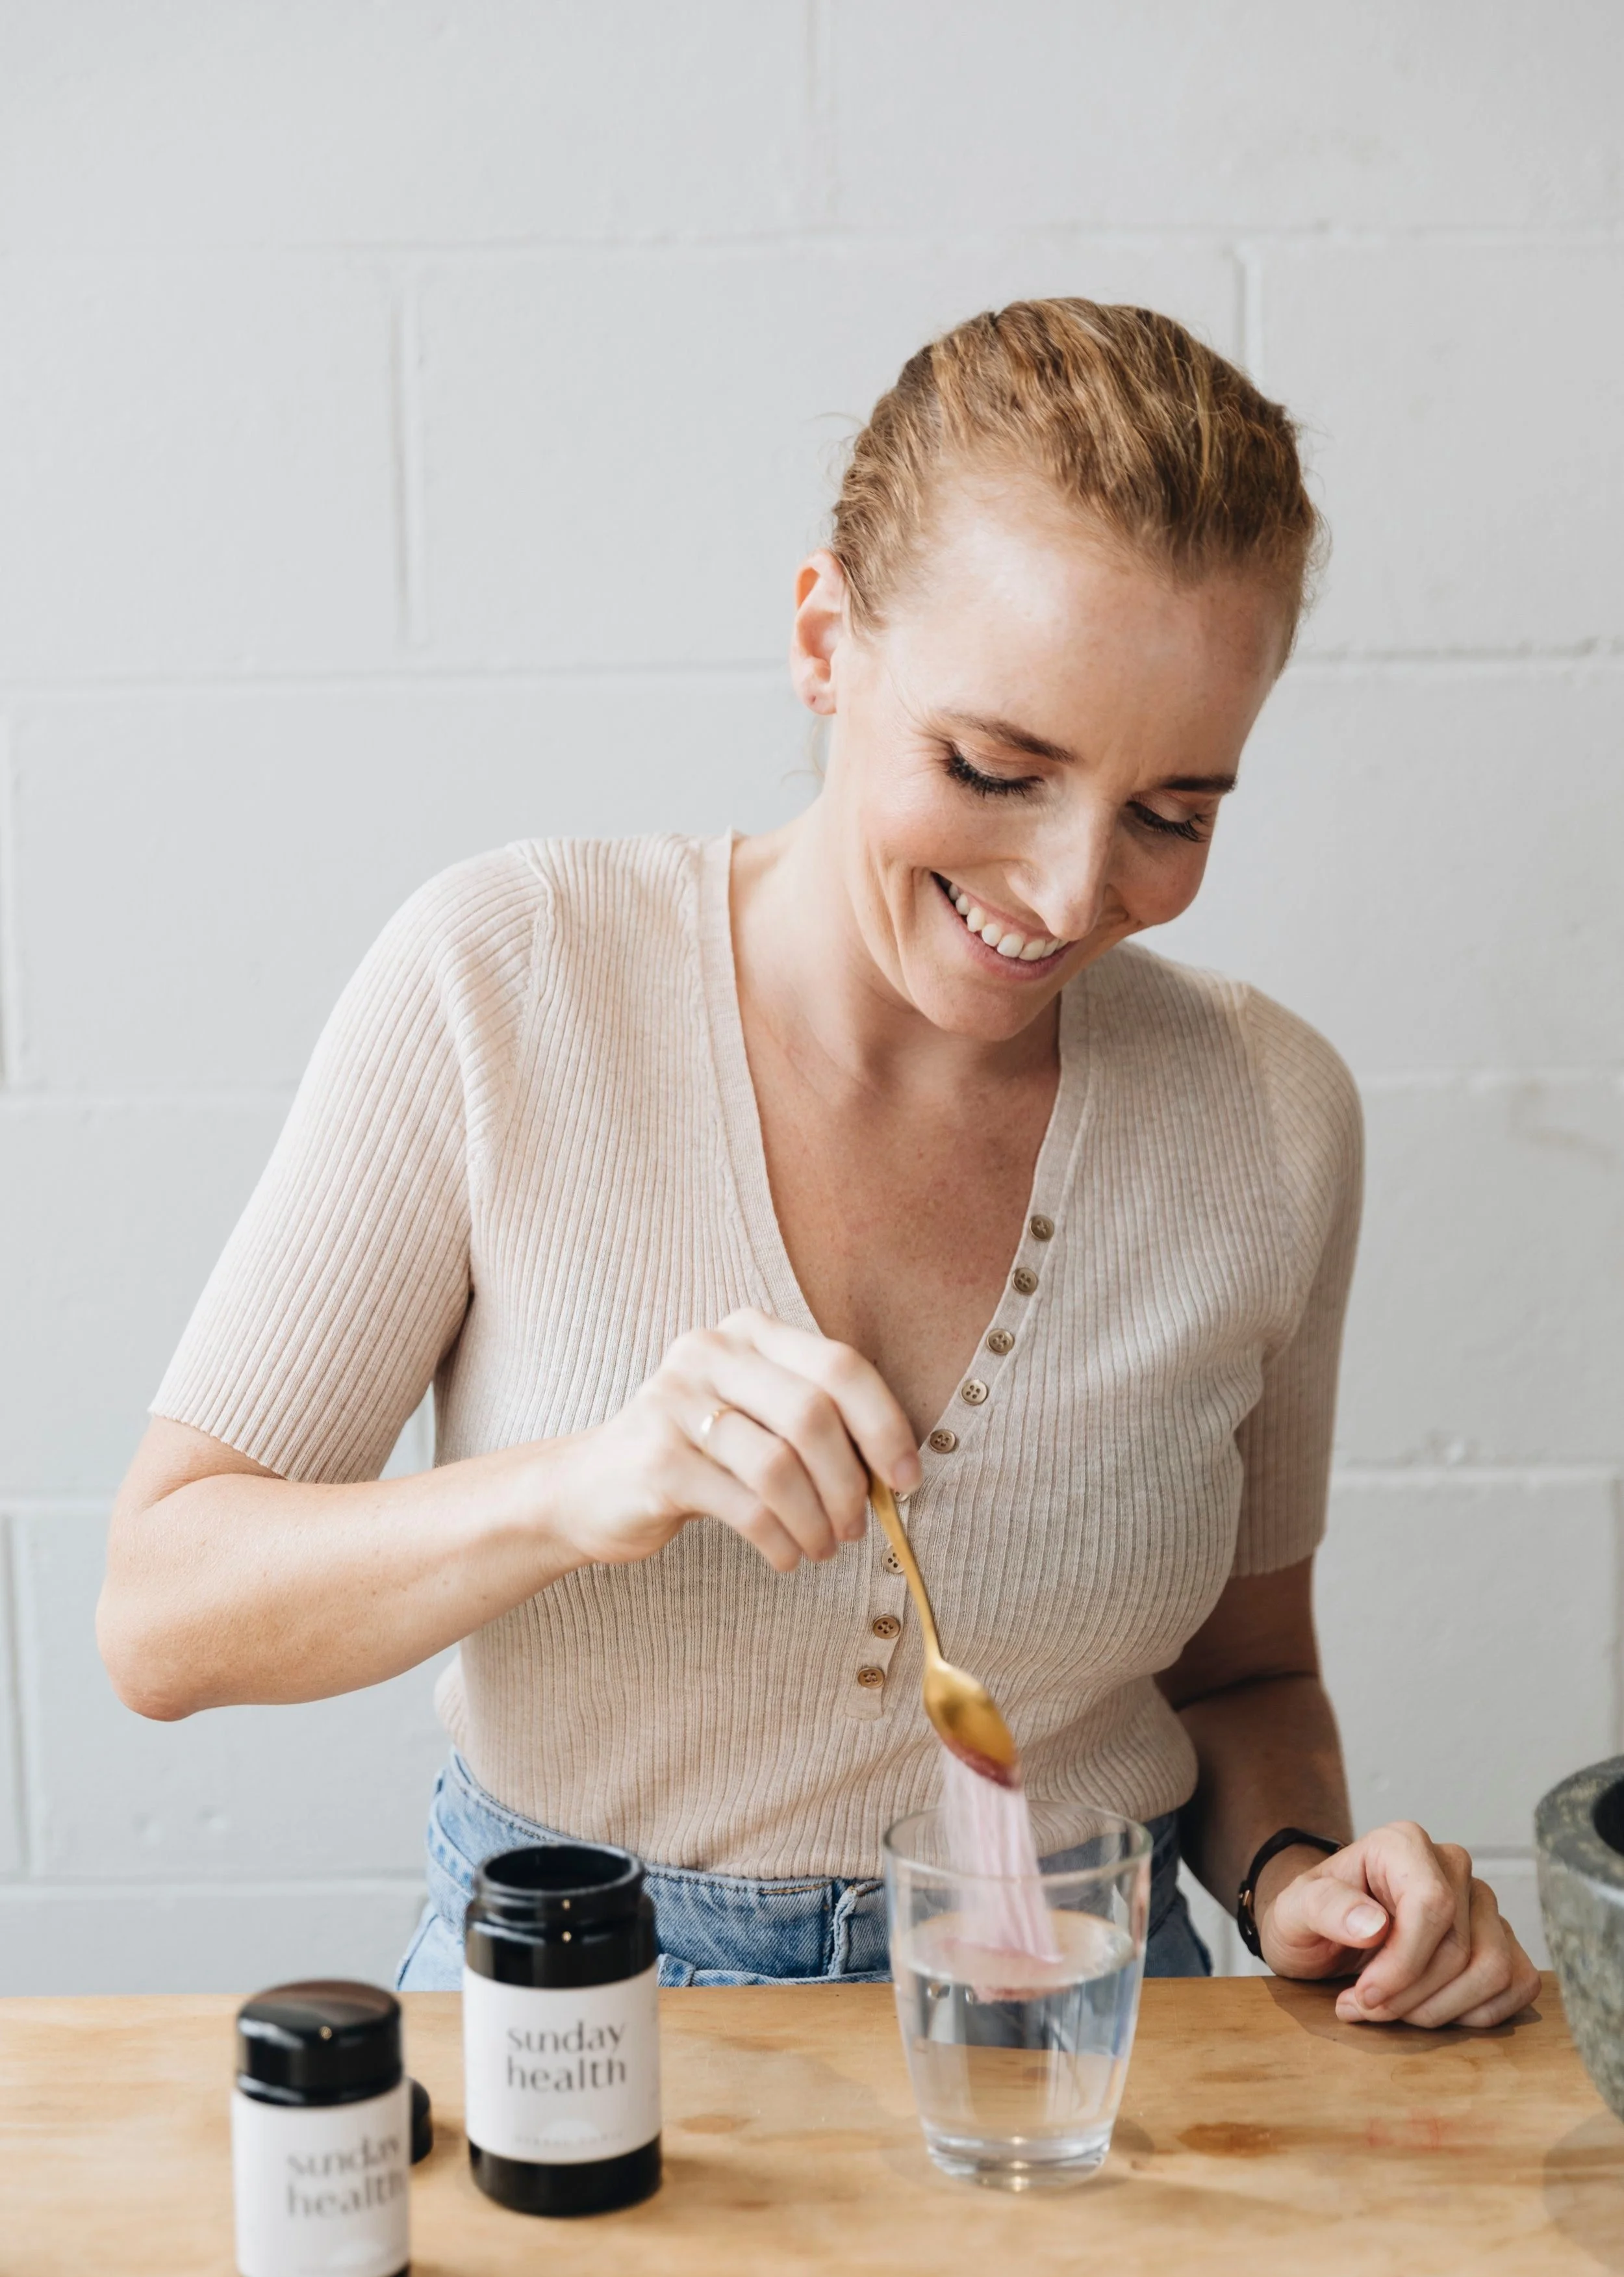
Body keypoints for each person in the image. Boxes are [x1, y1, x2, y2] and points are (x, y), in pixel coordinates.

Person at [98, 299, 1538, 2024]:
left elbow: (1245, 1671)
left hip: (1094, 2039)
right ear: (822, 639)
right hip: (581, 2013)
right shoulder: (506, 976)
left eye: (1172, 812)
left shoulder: (1271, 1113)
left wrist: (1304, 1872)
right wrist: (578, 1483)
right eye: (995, 765)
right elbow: (161, 1617)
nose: (1074, 890)